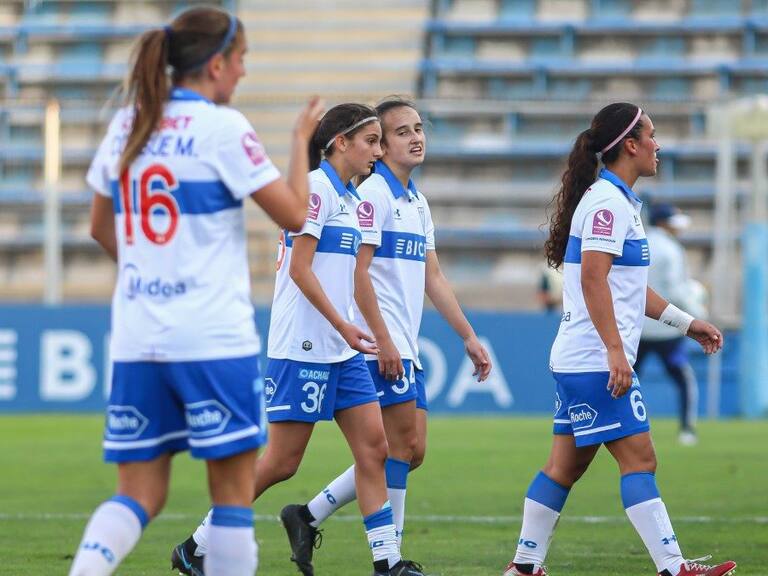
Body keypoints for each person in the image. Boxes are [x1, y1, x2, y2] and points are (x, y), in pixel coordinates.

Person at [69, 7, 323, 576]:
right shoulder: (222, 127)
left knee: (137, 493)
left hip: (138, 334)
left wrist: (149, 272)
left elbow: (98, 227)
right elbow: (293, 215)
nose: (243, 73)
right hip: (211, 335)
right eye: (241, 61)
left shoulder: (130, 121)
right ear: (215, 64)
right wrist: (302, 142)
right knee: (231, 499)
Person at [172, 103, 427, 576]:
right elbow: (300, 268)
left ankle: (387, 562)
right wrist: (343, 324)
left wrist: (351, 331)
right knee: (281, 462)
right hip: (303, 346)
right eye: (370, 141)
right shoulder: (315, 189)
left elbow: (346, 275)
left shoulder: (349, 198)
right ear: (339, 143)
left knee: (375, 450)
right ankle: (197, 544)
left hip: (342, 349)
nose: (378, 150)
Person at [501, 103, 736, 576]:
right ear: (630, 145)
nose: (658, 145)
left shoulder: (618, 200)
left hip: (579, 358)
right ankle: (673, 568)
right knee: (640, 459)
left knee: (563, 468)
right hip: (593, 359)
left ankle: (524, 567)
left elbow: (629, 288)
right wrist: (614, 351)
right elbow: (593, 279)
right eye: (651, 135)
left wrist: (687, 323)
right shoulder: (607, 202)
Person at [278, 97, 493, 576]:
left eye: (419, 128)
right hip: (379, 341)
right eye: (400, 132)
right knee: (393, 449)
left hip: (402, 341)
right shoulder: (371, 195)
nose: (415, 137)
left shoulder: (415, 201)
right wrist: (382, 337)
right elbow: (358, 272)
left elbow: (433, 276)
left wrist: (468, 336)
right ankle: (389, 558)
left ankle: (308, 516)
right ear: (378, 145)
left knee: (408, 451)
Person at [636, 203, 703, 446]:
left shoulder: (638, 241)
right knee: (683, 378)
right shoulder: (671, 249)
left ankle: (619, 429)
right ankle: (687, 429)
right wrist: (696, 313)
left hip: (637, 328)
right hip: (666, 329)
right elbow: (675, 290)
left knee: (626, 381)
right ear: (664, 223)